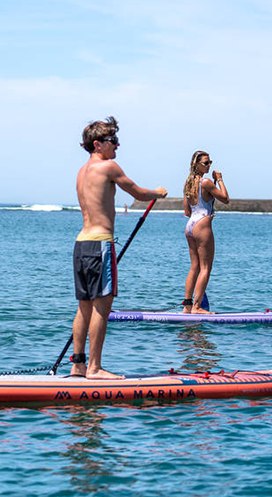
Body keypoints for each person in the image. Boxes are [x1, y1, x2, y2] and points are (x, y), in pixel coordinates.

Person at [71, 117, 167, 379]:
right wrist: (157, 192)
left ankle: (78, 364)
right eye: (113, 141)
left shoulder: (81, 172)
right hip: (101, 244)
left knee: (84, 305)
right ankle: (94, 367)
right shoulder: (109, 167)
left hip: (81, 244)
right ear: (98, 144)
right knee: (103, 305)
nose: (118, 145)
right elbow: (137, 193)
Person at [183, 150, 229, 314]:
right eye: (206, 163)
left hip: (190, 225)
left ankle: (187, 307)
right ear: (196, 165)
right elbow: (225, 199)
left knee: (194, 267)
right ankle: (196, 307)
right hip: (202, 224)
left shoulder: (188, 183)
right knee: (205, 268)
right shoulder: (207, 182)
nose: (209, 165)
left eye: (210, 162)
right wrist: (220, 180)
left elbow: (187, 210)